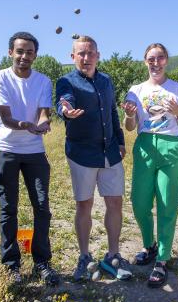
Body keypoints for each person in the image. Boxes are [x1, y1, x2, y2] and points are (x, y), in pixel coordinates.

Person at [55, 35, 131, 281]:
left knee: (115, 203)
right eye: (81, 54)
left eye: (90, 53)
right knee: (84, 205)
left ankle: (113, 256)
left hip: (109, 152)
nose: (86, 58)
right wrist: (66, 110)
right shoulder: (66, 80)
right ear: (73, 56)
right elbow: (64, 100)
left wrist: (120, 140)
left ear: (97, 55)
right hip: (82, 154)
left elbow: (112, 112)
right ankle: (84, 257)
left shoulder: (106, 80)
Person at [122, 43, 178, 287]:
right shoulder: (136, 90)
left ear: (166, 61)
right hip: (144, 146)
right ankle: (149, 244)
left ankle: (162, 259)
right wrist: (130, 114)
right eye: (151, 58)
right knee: (139, 201)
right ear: (145, 62)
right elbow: (130, 126)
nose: (156, 62)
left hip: (171, 147)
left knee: (166, 203)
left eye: (160, 58)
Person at [0, 32, 59, 285]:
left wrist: (42, 124)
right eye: (20, 51)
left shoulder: (42, 80)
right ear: (11, 52)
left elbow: (44, 113)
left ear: (35, 55)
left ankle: (42, 261)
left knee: (42, 207)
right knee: (8, 209)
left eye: (29, 52)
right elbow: (6, 118)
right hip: (6, 150)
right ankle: (11, 266)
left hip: (34, 153)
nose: (24, 56)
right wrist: (26, 125)